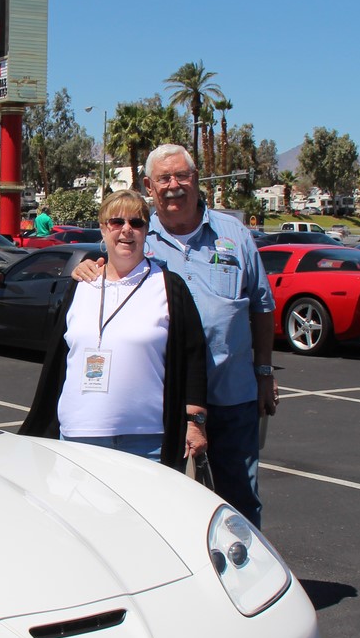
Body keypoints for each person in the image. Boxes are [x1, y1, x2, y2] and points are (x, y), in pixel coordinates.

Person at [72, 144, 278, 527]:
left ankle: (243, 576)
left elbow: (261, 306)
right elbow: (107, 272)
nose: (174, 186)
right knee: (167, 504)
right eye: (164, 178)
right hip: (164, 403)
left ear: (196, 180)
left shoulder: (234, 234)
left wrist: (264, 373)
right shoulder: (138, 234)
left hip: (231, 394)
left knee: (240, 499)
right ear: (149, 185)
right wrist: (86, 268)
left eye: (182, 176)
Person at [20, 190, 208, 471]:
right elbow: (59, 360)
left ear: (147, 231)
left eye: (137, 223)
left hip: (147, 442)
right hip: (77, 438)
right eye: (116, 222)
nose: (126, 231)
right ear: (102, 228)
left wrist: (195, 423)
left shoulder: (169, 286)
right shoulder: (80, 284)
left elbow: (194, 357)